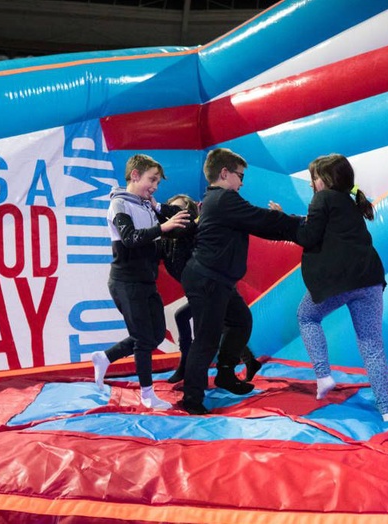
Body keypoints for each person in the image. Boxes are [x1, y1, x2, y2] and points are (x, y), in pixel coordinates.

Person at [179, 148, 302, 415]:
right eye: (240, 176)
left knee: (240, 321)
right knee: (206, 338)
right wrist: (295, 221)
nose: (242, 182)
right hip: (208, 278)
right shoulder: (224, 200)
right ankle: (192, 397)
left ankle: (224, 373)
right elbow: (261, 220)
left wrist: (284, 221)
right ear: (224, 173)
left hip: (217, 279)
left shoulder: (219, 201)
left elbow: (260, 223)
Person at [294, 154, 388, 423]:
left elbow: (309, 235)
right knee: (372, 345)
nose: (312, 183)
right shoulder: (350, 200)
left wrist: (285, 224)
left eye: (314, 178)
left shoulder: (322, 198)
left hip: (341, 279)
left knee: (306, 316)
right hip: (370, 278)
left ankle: (323, 376)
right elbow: (322, 224)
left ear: (324, 179)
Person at [91, 154, 190, 410]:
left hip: (146, 282)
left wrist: (161, 214)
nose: (155, 187)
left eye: (157, 182)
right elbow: (130, 238)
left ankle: (105, 357)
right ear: (135, 175)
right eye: (152, 180)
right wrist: (163, 228)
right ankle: (147, 395)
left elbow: (178, 225)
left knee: (155, 335)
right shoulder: (119, 205)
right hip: (126, 282)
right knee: (142, 338)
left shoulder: (147, 205)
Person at [158, 194, 261, 385]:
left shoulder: (191, 232)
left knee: (213, 327)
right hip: (200, 289)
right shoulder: (166, 239)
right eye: (171, 209)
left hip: (212, 285)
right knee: (210, 323)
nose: (174, 214)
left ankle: (195, 378)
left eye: (179, 210)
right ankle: (247, 361)